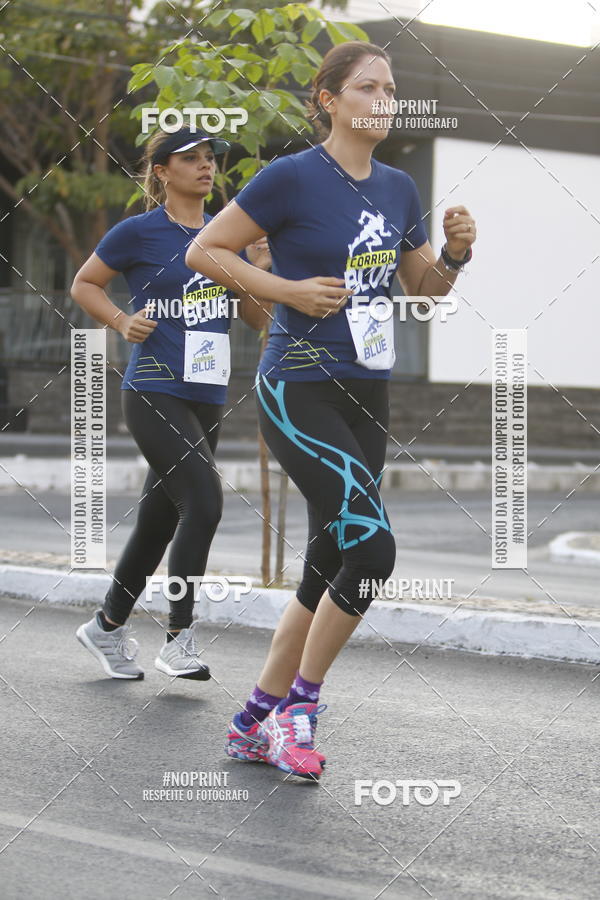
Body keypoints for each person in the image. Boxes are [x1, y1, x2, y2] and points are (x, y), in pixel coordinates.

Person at [185, 41, 477, 778]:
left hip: (366, 390)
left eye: (392, 90)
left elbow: (422, 292)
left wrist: (454, 254)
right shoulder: (292, 177)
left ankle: (252, 721)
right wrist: (286, 290)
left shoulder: (399, 187)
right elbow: (206, 252)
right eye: (368, 88)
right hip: (299, 388)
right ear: (329, 100)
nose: (385, 101)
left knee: (327, 563)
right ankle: (299, 711)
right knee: (372, 552)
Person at [71, 127, 272, 681]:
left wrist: (259, 269)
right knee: (204, 503)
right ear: (161, 171)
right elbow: (85, 283)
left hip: (207, 394)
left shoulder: (226, 236)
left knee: (158, 523)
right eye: (192, 158)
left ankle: (106, 626)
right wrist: (121, 321)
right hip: (153, 389)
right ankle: (179, 637)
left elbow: (256, 319)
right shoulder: (139, 232)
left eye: (210, 158)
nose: (206, 166)